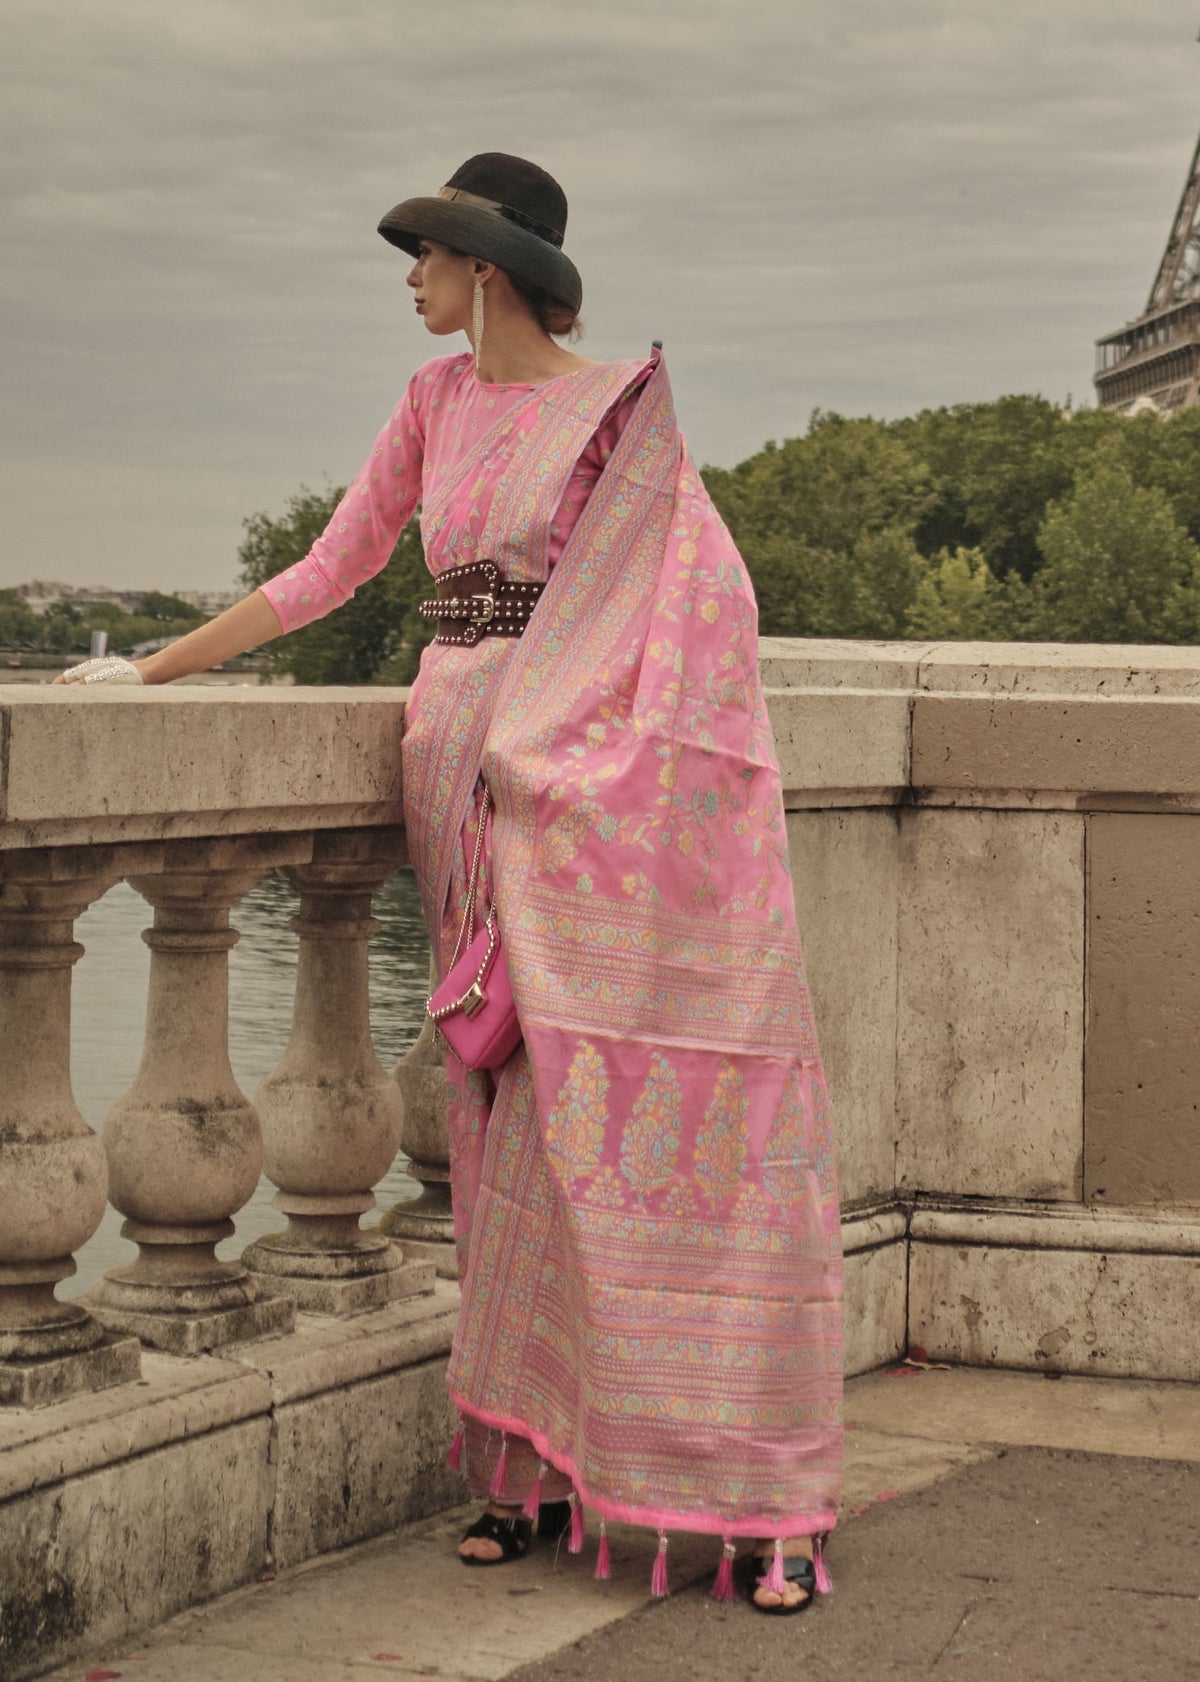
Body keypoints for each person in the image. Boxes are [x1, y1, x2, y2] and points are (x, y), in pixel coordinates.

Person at [62, 153, 843, 1616]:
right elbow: (325, 571)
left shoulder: (618, 418)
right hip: (460, 780)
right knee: (500, 1119)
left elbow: (702, 616)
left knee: (636, 1119)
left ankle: (757, 1490)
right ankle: (520, 1468)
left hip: (580, 784)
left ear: (484, 269)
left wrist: (560, 742)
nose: (406, 282)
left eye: (420, 256)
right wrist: (146, 668)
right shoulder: (433, 406)